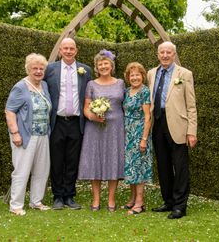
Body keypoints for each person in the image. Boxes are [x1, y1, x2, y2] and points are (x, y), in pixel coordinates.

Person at [148, 41, 198, 219]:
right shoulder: (151, 73)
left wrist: (192, 131)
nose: (165, 55)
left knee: (180, 167)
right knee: (163, 166)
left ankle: (180, 206)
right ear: (158, 54)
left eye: (169, 52)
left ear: (174, 54)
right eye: (162, 52)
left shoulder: (184, 74)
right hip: (158, 124)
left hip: (178, 126)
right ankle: (168, 201)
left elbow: (191, 105)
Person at [43, 37, 92, 210]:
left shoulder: (85, 70)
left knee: (72, 161)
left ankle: (70, 196)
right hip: (57, 122)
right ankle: (57, 196)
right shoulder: (50, 69)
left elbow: (89, 96)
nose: (69, 51)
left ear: (76, 50)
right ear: (60, 51)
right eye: (65, 48)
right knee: (57, 161)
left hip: (76, 123)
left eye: (72, 48)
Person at [78, 49, 125, 212]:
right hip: (94, 128)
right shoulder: (91, 84)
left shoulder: (120, 83)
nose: (103, 66)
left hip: (116, 128)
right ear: (96, 67)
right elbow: (85, 107)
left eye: (106, 63)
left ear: (111, 66)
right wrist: (93, 116)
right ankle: (96, 200)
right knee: (94, 160)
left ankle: (112, 200)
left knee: (113, 159)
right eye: (100, 64)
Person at [5, 53, 52, 216]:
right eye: (35, 68)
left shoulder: (44, 86)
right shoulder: (20, 87)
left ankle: (36, 201)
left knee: (42, 170)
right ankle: (16, 205)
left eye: (41, 68)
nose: (38, 71)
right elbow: (10, 111)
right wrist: (15, 133)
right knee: (22, 170)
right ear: (28, 69)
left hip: (43, 134)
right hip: (25, 135)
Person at [122, 62, 153, 215]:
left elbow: (148, 116)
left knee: (139, 168)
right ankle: (132, 198)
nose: (134, 77)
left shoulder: (144, 91)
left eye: (137, 74)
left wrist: (144, 139)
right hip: (128, 134)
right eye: (131, 75)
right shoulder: (127, 91)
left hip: (139, 133)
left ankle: (140, 203)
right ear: (128, 77)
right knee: (130, 167)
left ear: (142, 76)